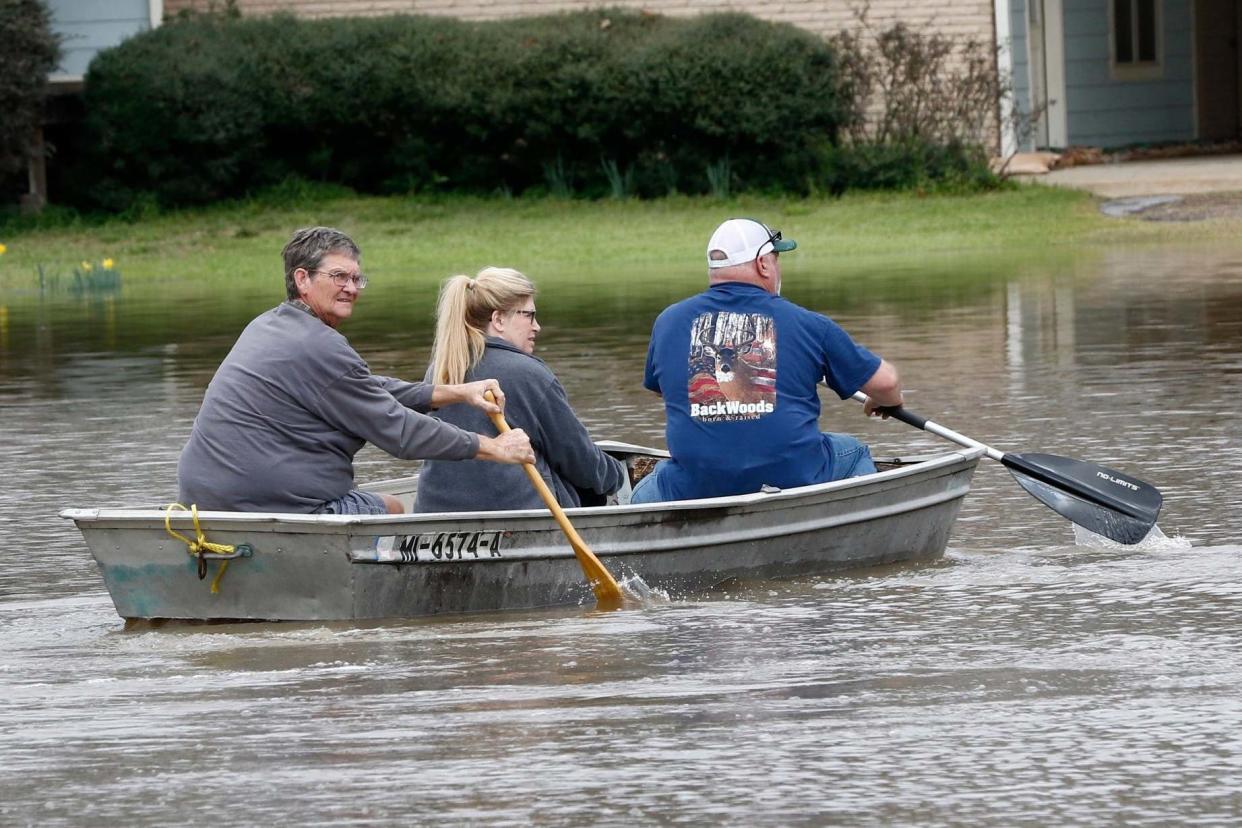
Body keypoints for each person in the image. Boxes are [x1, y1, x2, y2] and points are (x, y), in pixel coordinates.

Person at [176, 227, 534, 515]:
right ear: (302, 279)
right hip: (276, 508)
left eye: (356, 279)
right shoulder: (320, 344)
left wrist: (456, 392)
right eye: (338, 277)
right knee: (392, 508)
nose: (350, 288)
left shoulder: (266, 326)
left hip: (205, 506)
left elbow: (361, 388)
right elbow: (400, 431)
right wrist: (493, 446)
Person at [631, 217, 903, 504]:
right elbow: (886, 382)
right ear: (762, 263)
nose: (777, 266)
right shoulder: (809, 324)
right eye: (776, 258)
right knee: (855, 450)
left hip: (696, 485)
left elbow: (660, 388)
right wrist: (886, 401)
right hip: (795, 478)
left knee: (646, 489)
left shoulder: (668, 322)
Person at [413, 267, 626, 513]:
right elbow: (578, 459)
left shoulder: (441, 369)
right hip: (516, 513)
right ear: (499, 320)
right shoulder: (528, 373)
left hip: (434, 512)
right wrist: (618, 476)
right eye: (530, 316)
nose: (537, 327)